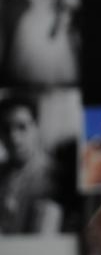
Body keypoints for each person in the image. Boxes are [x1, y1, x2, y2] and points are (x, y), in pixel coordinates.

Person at [0, 95, 62, 234]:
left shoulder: (55, 176)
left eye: (22, 127)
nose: (14, 137)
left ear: (36, 127)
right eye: (6, 129)